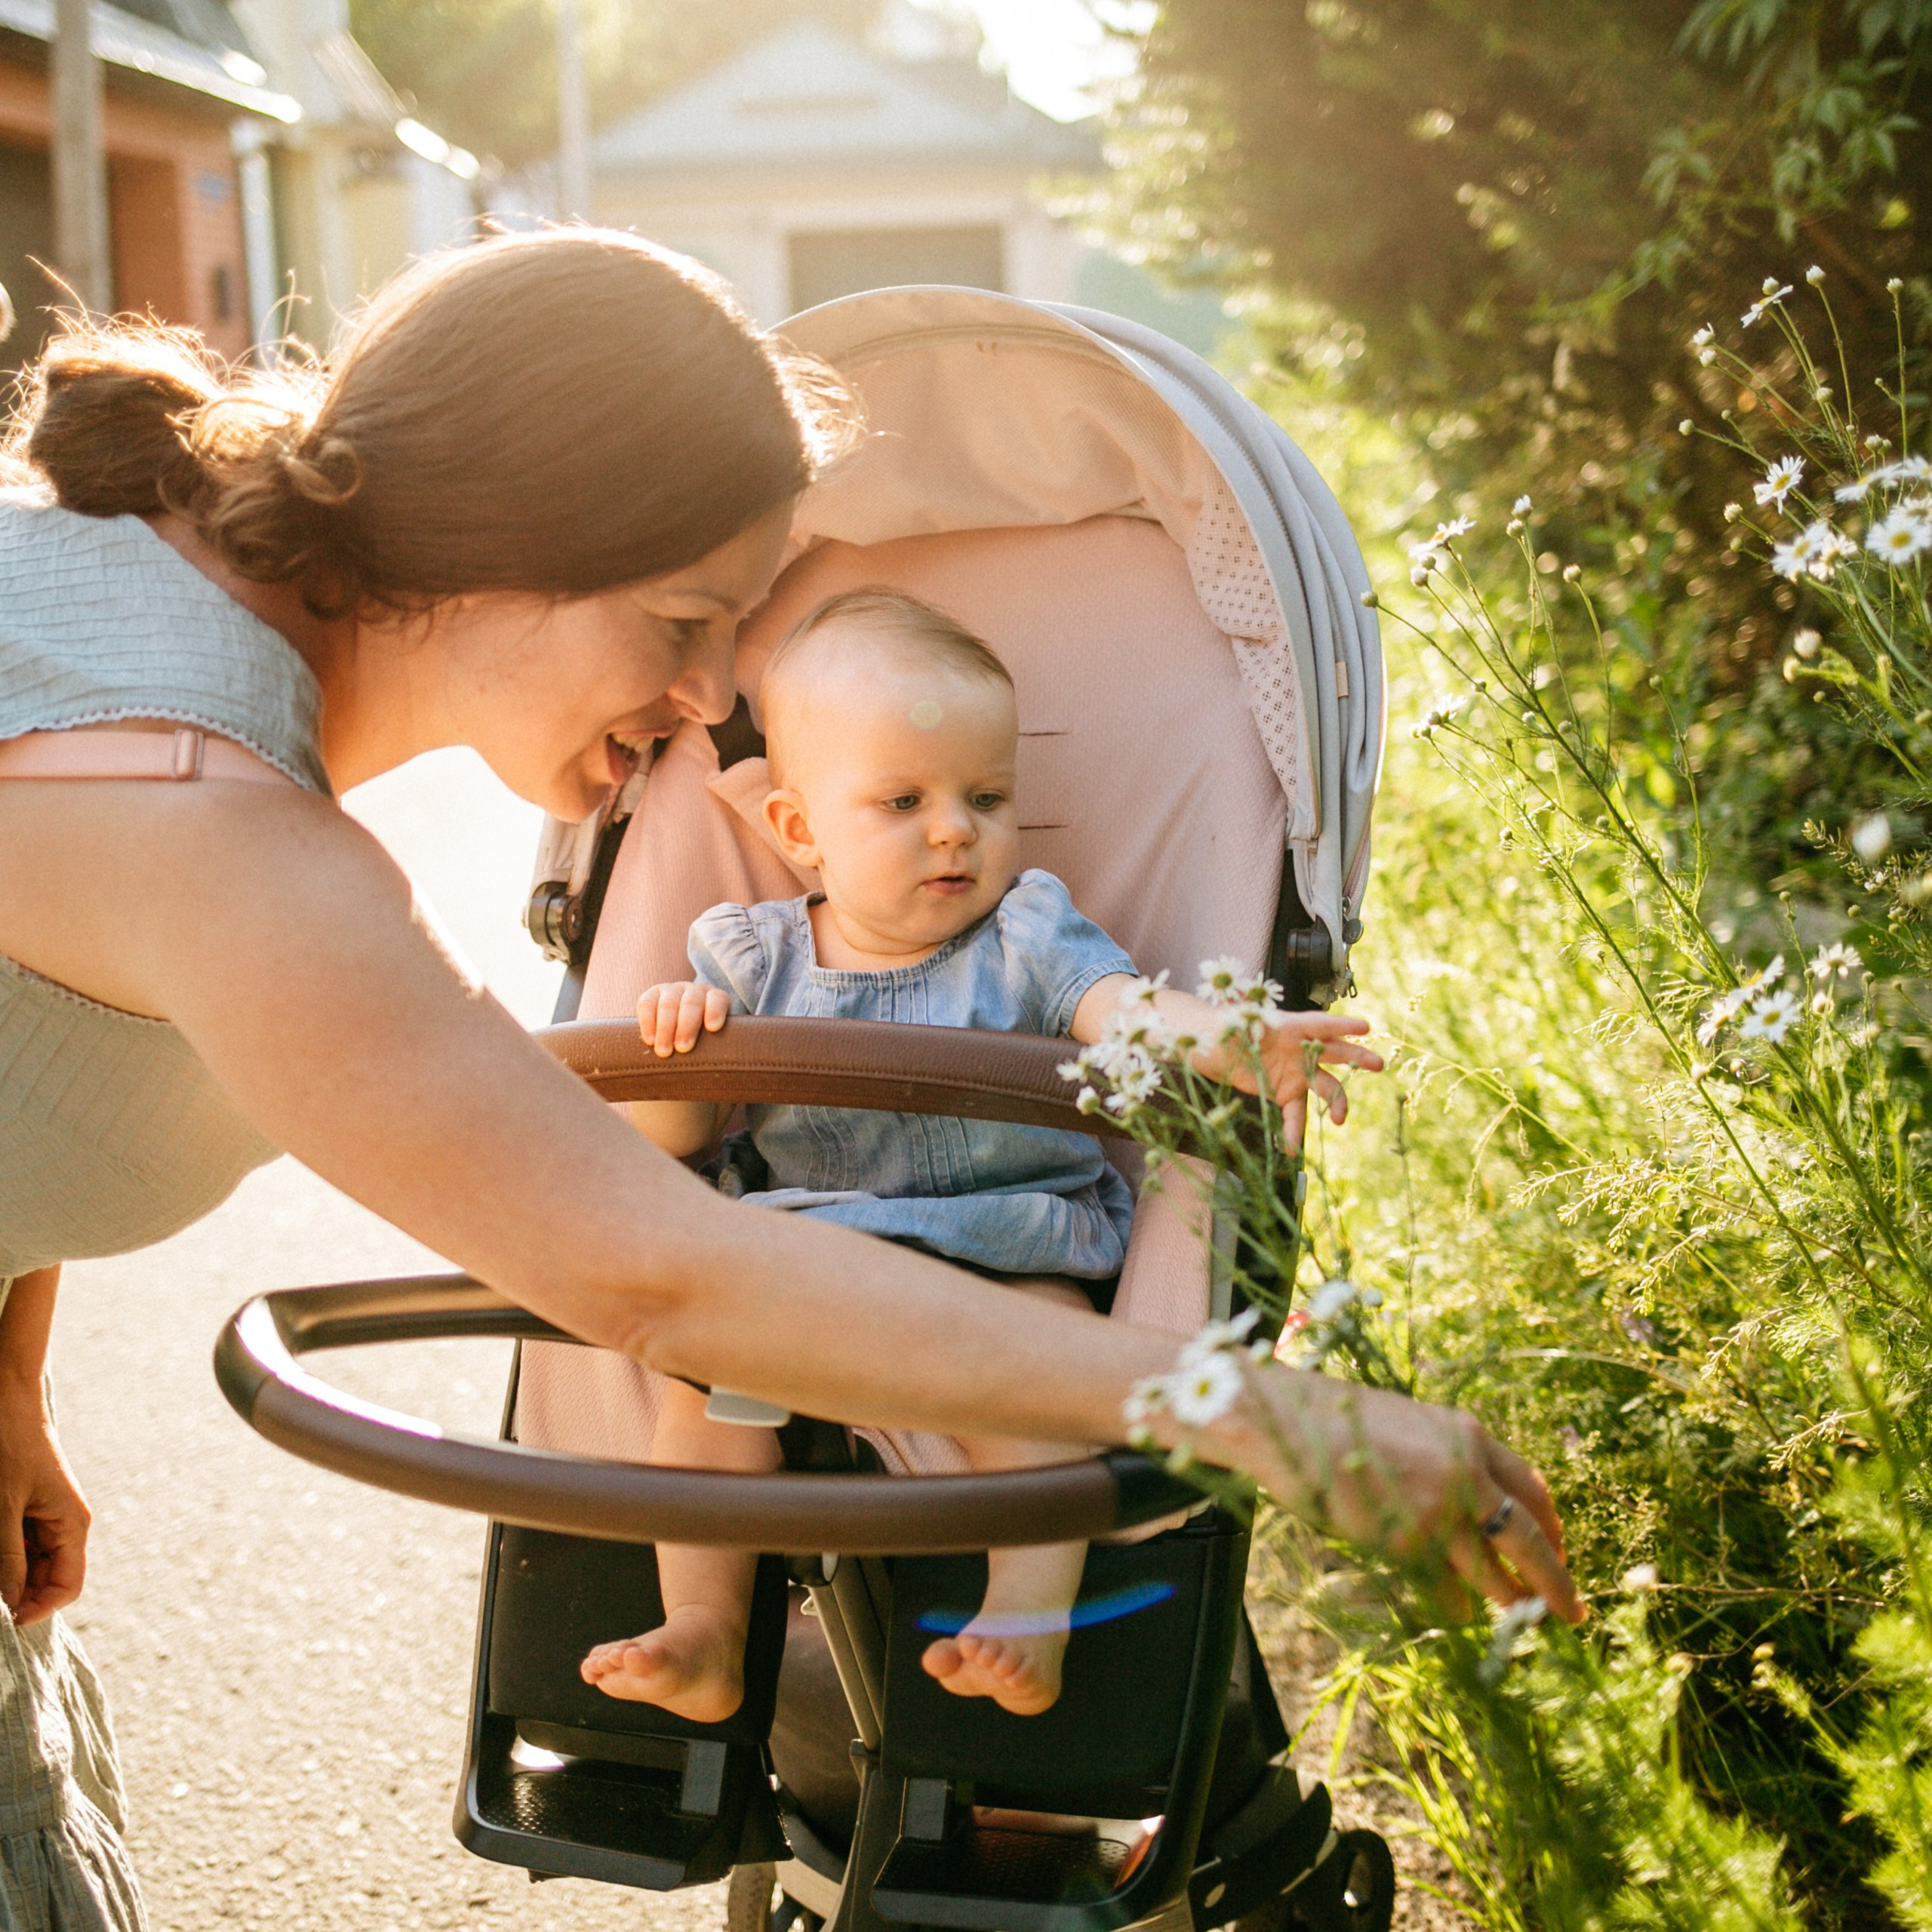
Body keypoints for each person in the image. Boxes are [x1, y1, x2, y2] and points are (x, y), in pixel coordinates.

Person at [0, 229, 1581, 1930]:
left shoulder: (122, 603)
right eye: (685, 619)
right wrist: (1290, 1417)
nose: (707, 701)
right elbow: (652, 1266)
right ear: (515, 537)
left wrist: (12, 1375)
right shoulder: (205, 817)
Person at [585, 589, 1374, 1722]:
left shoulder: (1028, 933)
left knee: (1048, 1383)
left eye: (986, 797)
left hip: (1004, 1252)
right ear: (802, 832)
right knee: (702, 1407)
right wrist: (680, 1052)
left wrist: (1235, 1038)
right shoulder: (744, 958)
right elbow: (669, 1148)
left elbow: (1128, 1011)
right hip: (800, 1264)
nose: (956, 828)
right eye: (904, 801)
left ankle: (1029, 1608)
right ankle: (705, 1630)